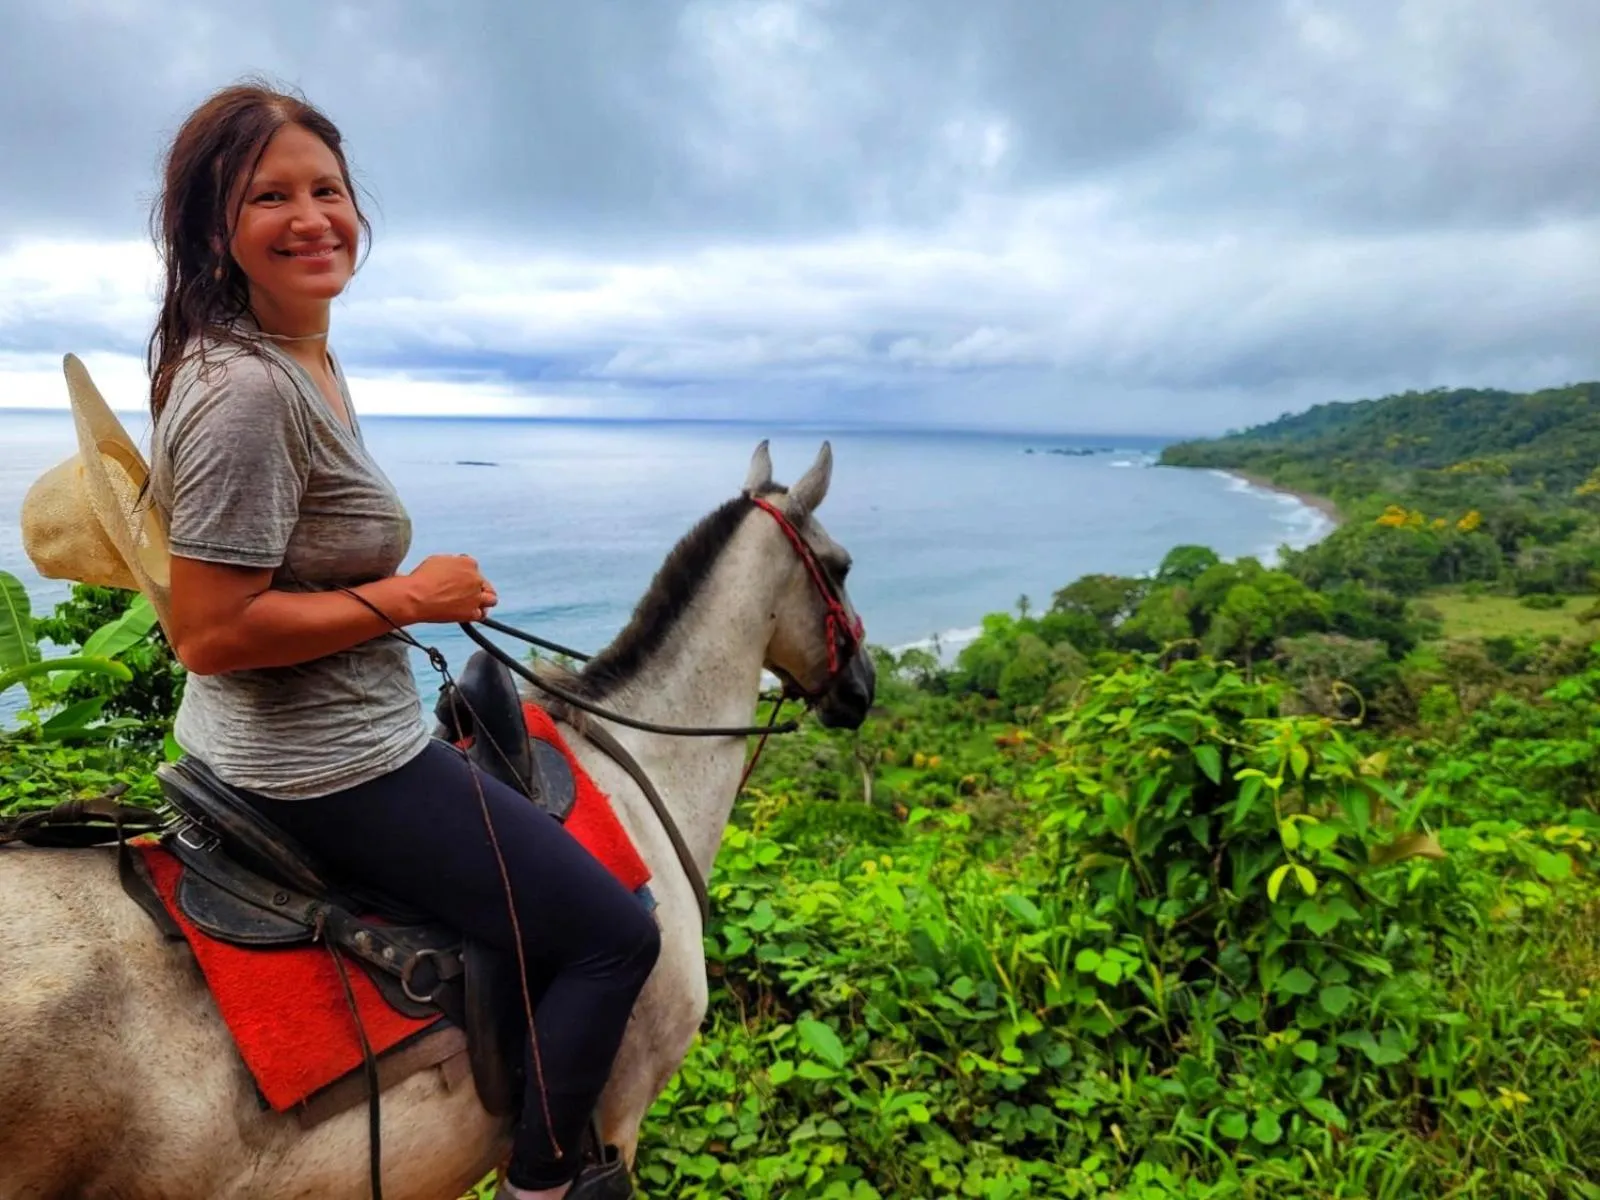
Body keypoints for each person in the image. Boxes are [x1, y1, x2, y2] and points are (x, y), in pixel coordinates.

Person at [143, 81, 659, 1200]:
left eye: (326, 189)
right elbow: (210, 632)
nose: (310, 217)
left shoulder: (304, 358)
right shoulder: (247, 392)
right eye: (269, 196)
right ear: (213, 230)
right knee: (614, 937)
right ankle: (544, 1181)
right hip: (324, 764)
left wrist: (392, 595)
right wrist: (410, 598)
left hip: (304, 731)